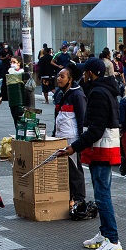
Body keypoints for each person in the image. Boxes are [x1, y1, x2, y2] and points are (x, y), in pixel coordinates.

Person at [58, 58, 123, 250]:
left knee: (102, 195)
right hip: (104, 149)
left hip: (101, 151)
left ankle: (112, 240)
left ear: (91, 73)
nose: (83, 75)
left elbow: (95, 129)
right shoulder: (105, 90)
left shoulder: (97, 93)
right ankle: (105, 233)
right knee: (101, 193)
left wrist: (74, 147)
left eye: (85, 72)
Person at [52, 65, 88, 207]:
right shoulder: (60, 94)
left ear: (70, 79)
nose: (59, 79)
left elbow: (82, 119)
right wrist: (54, 134)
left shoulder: (77, 95)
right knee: (63, 170)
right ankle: (68, 197)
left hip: (72, 138)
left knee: (74, 169)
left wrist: (80, 141)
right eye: (58, 76)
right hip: (60, 137)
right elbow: (58, 117)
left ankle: (79, 198)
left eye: (62, 76)